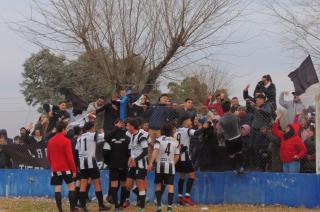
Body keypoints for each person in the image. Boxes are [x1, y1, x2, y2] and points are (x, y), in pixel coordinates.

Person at [75, 122, 110, 211]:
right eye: (94, 127)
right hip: (91, 162)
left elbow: (76, 150)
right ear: (91, 128)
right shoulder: (93, 134)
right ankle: (101, 205)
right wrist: (102, 132)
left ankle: (82, 206)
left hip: (82, 163)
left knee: (83, 185)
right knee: (97, 183)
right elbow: (103, 137)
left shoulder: (79, 138)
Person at [46, 121, 79, 212]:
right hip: (66, 169)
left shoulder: (50, 141)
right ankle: (72, 209)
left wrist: (53, 166)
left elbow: (48, 157)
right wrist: (74, 170)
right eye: (66, 129)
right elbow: (70, 157)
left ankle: (60, 210)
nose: (67, 131)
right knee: (71, 188)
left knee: (57, 189)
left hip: (55, 169)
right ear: (63, 129)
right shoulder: (66, 141)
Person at [148, 123, 180, 212]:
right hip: (170, 166)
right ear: (170, 131)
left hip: (160, 165)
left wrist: (151, 163)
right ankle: (169, 207)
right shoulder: (175, 141)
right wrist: (172, 163)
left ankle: (158, 205)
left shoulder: (159, 139)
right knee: (170, 186)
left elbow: (155, 151)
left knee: (158, 185)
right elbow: (177, 155)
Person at [175, 116, 207, 206]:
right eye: (189, 120)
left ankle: (180, 198)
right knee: (192, 176)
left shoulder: (177, 130)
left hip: (177, 157)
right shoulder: (186, 130)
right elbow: (196, 133)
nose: (191, 122)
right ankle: (187, 197)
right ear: (185, 122)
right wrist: (204, 127)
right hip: (185, 157)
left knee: (181, 177)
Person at [103, 119, 130, 211]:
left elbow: (105, 153)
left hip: (113, 164)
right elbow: (129, 152)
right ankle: (122, 204)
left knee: (113, 185)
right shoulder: (127, 138)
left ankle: (116, 206)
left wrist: (108, 162)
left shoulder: (109, 139)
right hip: (124, 164)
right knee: (123, 185)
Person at [125, 118, 148, 212]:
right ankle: (143, 197)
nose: (126, 126)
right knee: (128, 185)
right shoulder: (132, 136)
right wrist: (130, 158)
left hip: (141, 165)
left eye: (127, 125)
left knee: (140, 185)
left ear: (132, 126)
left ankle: (142, 208)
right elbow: (132, 150)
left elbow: (145, 151)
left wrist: (136, 159)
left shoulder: (141, 136)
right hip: (133, 164)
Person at [218, 101, 244, 174]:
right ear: (229, 108)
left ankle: (235, 169)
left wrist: (220, 139)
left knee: (231, 155)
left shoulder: (221, 119)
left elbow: (219, 132)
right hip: (238, 137)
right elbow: (239, 122)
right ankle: (241, 167)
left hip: (229, 140)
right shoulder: (235, 116)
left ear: (223, 109)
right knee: (239, 152)